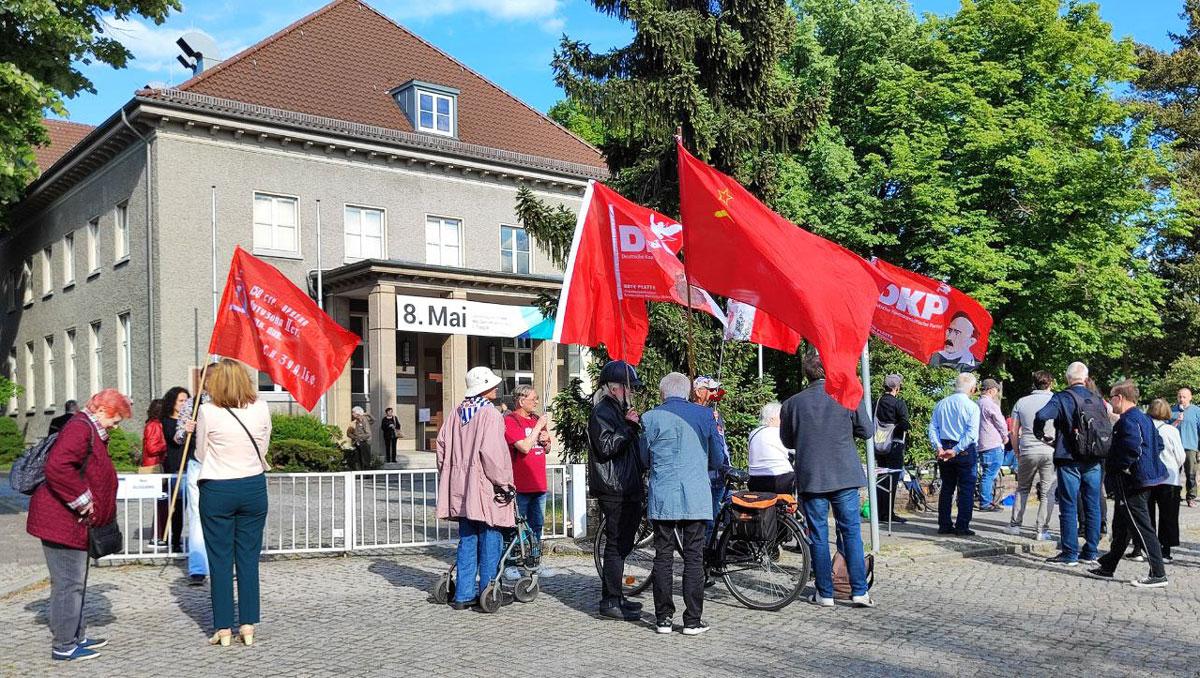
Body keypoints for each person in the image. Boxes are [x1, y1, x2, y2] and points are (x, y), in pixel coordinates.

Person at [26, 389, 130, 661]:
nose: (115, 427)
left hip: (71, 522)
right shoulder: (80, 428)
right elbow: (58, 467)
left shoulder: (88, 430)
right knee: (68, 584)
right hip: (61, 521)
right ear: (101, 411)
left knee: (75, 583)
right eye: (115, 420)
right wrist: (83, 499)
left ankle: (76, 636)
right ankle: (64, 645)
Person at [780, 351, 875, 608]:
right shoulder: (846, 396)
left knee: (819, 535)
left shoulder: (791, 404)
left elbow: (787, 441)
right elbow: (867, 431)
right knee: (851, 531)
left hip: (812, 476)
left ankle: (825, 592)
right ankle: (859, 591)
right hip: (844, 474)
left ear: (806, 374)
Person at [640, 372, 726, 635]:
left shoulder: (649, 418)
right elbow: (716, 458)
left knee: (663, 556)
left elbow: (643, 460)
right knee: (693, 556)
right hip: (695, 495)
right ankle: (692, 620)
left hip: (663, 495)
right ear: (688, 392)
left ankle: (663, 619)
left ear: (663, 393)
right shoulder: (704, 416)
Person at [195, 359, 271, 646]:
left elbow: (201, 453)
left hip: (217, 486)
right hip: (252, 484)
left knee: (220, 560)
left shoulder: (207, 411)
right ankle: (248, 624)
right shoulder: (261, 407)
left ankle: (224, 627)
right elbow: (264, 444)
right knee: (249, 559)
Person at [435, 366, 515, 610]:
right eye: (493, 384)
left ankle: (463, 594)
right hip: (484, 486)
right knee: (491, 536)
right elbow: (493, 454)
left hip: (460, 485)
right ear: (486, 387)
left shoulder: (456, 412)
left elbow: (441, 448)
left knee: (467, 538)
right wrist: (504, 483)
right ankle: (488, 590)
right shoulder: (490, 414)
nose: (497, 388)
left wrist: (450, 475)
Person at [1088, 381, 1170, 588]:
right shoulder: (1144, 418)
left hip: (1131, 480)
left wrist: (1122, 466)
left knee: (1141, 527)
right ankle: (1109, 565)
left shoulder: (1128, 420)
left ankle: (1158, 573)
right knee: (1122, 524)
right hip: (1142, 477)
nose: (1111, 401)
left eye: (1112, 397)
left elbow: (1133, 448)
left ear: (1120, 398)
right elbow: (1157, 444)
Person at [586, 360, 646, 621]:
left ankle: (617, 595)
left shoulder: (615, 411)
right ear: (614, 388)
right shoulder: (602, 412)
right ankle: (610, 600)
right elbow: (607, 446)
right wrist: (630, 426)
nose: (631, 392)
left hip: (625, 486)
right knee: (615, 546)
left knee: (622, 545)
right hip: (613, 487)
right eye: (628, 388)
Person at [1035, 362, 1105, 566]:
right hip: (1094, 457)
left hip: (1069, 457)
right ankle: (1091, 551)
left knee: (1069, 504)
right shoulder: (1097, 398)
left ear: (1067, 378)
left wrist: (1040, 433)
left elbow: (1042, 415)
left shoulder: (1063, 397)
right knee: (1092, 504)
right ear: (1085, 377)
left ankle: (1070, 553)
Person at [161, 386, 207, 584]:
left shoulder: (232, 402)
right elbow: (177, 437)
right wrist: (186, 430)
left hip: (222, 466)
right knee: (191, 512)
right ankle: (196, 564)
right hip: (192, 465)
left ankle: (221, 561)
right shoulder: (192, 405)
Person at [1005, 371, 1058, 540]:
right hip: (1050, 450)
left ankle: (1015, 525)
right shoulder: (1057, 400)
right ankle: (1042, 530)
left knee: (1022, 488)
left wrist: (1016, 451)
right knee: (1047, 492)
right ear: (1050, 383)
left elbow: (1013, 431)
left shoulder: (1021, 402)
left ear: (1034, 384)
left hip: (1027, 448)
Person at [503, 384, 553, 561]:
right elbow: (524, 447)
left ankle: (534, 561)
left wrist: (546, 441)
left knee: (537, 526)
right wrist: (538, 427)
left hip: (539, 485)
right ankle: (511, 563)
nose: (537, 402)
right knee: (516, 528)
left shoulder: (536, 419)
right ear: (521, 401)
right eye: (533, 399)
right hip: (521, 485)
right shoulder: (511, 420)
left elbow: (546, 449)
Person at [928, 373, 981, 536]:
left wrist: (938, 446)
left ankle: (944, 524)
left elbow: (932, 428)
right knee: (966, 488)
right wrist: (957, 450)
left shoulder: (941, 404)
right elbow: (971, 433)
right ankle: (962, 525)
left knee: (947, 487)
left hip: (944, 446)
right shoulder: (972, 407)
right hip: (964, 449)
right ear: (972, 389)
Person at [1146, 399, 1186, 562]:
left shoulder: (1145, 427)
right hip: (1169, 477)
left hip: (1148, 476)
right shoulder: (1171, 430)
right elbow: (1181, 455)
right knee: (1168, 515)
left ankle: (1146, 547)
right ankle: (1165, 550)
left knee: (1147, 514)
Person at [693, 376, 732, 538]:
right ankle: (705, 550)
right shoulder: (694, 414)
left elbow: (721, 442)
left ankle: (720, 546)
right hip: (707, 473)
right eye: (710, 390)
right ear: (698, 392)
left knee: (725, 511)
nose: (715, 393)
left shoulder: (715, 414)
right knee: (709, 516)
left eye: (716, 390)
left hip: (722, 471)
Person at [873, 374, 910, 523]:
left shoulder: (876, 402)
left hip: (879, 444)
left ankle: (879, 512)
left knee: (880, 478)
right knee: (892, 480)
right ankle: (888, 513)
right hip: (893, 445)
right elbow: (904, 424)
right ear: (896, 387)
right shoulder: (899, 404)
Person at [976, 378, 1009, 511]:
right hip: (992, 443)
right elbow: (1000, 422)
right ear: (991, 390)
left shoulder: (977, 403)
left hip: (980, 443)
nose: (996, 393)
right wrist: (1005, 436)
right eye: (996, 390)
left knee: (986, 473)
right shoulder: (990, 404)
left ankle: (986, 500)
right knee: (989, 474)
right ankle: (985, 503)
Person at [747, 402, 794, 494]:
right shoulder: (779, 432)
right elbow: (794, 450)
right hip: (780, 479)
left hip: (755, 480)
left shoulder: (753, 433)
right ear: (772, 419)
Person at [1171, 387, 1200, 507]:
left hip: (1190, 446)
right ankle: (1174, 497)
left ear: (1190, 397)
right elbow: (1166, 427)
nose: (1181, 399)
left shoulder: (1196, 411)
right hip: (1174, 447)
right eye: (1179, 396)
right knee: (1174, 473)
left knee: (1191, 474)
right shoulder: (1172, 410)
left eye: (1184, 397)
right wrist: (1176, 421)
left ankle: (1191, 497)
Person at [347, 406, 374, 471]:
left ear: (357, 413)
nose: (352, 414)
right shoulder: (355, 422)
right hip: (358, 443)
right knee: (359, 459)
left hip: (364, 442)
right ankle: (360, 473)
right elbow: (349, 433)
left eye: (353, 412)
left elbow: (368, 433)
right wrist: (355, 437)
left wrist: (359, 437)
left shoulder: (364, 420)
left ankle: (366, 475)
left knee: (365, 460)